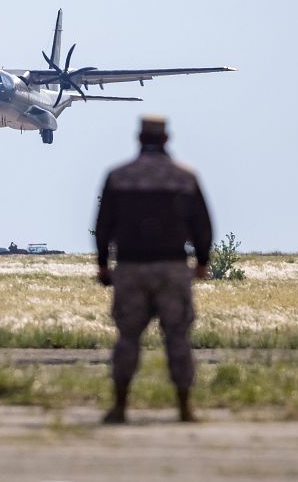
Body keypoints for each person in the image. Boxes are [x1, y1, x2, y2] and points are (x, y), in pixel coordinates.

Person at [95, 115, 212, 424]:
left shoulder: (119, 177)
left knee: (128, 337)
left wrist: (103, 265)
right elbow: (202, 223)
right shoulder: (185, 177)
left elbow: (103, 224)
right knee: (177, 336)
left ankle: (120, 406)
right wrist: (201, 261)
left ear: (138, 139)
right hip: (172, 267)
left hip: (131, 267)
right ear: (166, 140)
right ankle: (185, 408)